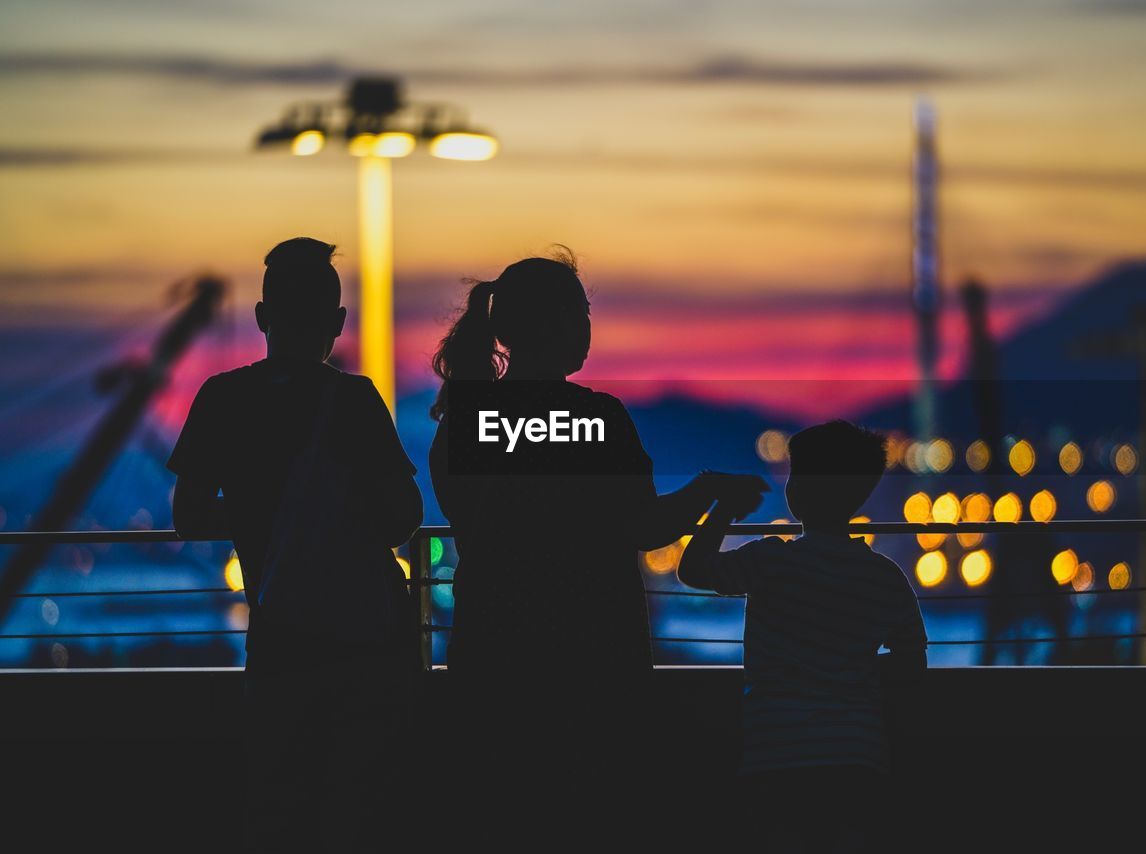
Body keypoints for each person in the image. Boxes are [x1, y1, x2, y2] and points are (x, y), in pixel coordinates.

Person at [427, 248, 765, 845]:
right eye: (580, 314)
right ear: (553, 325)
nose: (588, 328)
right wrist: (711, 491)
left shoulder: (463, 420)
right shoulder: (595, 420)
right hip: (590, 658)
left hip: (491, 651)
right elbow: (643, 525)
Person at [168, 237, 422, 851]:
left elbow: (188, 516)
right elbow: (404, 519)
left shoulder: (222, 398)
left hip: (280, 632)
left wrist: (262, 511)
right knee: (366, 804)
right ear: (337, 323)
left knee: (281, 803)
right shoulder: (355, 400)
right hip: (368, 639)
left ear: (262, 318)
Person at [678, 420, 927, 853]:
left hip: (776, 754)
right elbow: (912, 658)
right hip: (857, 755)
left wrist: (723, 510)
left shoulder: (770, 561)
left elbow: (693, 569)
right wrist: (854, 668)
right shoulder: (884, 577)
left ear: (800, 489)